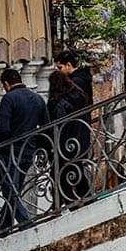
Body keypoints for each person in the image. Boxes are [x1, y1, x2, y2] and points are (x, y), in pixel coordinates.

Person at [0, 67, 49, 229]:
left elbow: (3, 129)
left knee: (9, 190)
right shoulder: (37, 98)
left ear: (6, 84)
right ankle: (3, 228)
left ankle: (27, 225)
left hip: (9, 152)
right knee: (13, 189)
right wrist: (37, 146)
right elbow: (46, 126)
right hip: (28, 151)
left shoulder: (9, 99)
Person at [46, 69, 91, 204]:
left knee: (59, 173)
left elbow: (58, 124)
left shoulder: (57, 102)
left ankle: (63, 204)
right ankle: (85, 198)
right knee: (75, 169)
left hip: (64, 142)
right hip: (79, 139)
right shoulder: (79, 95)